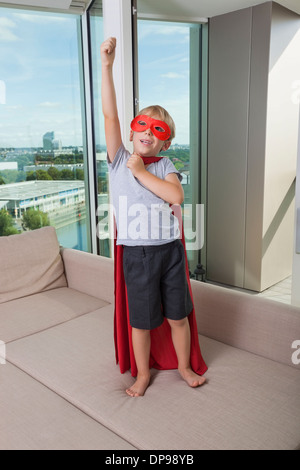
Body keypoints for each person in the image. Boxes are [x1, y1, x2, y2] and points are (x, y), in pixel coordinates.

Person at [101, 37, 206, 397]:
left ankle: (184, 366)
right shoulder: (117, 160)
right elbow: (109, 114)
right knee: (142, 321)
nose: (148, 133)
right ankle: (142, 374)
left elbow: (175, 196)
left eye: (157, 130)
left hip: (169, 253)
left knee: (178, 316)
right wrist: (106, 66)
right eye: (143, 126)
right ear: (132, 131)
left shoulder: (164, 165)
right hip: (138, 254)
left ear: (165, 142)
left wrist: (142, 172)